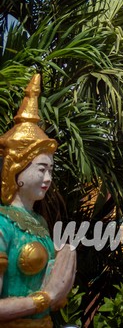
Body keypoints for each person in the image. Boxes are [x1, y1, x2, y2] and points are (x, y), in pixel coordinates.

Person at [0, 75, 76, 325]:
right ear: (17, 171)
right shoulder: (3, 225)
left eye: (51, 170)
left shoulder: (39, 222)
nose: (48, 178)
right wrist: (44, 299)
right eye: (41, 168)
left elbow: (50, 286)